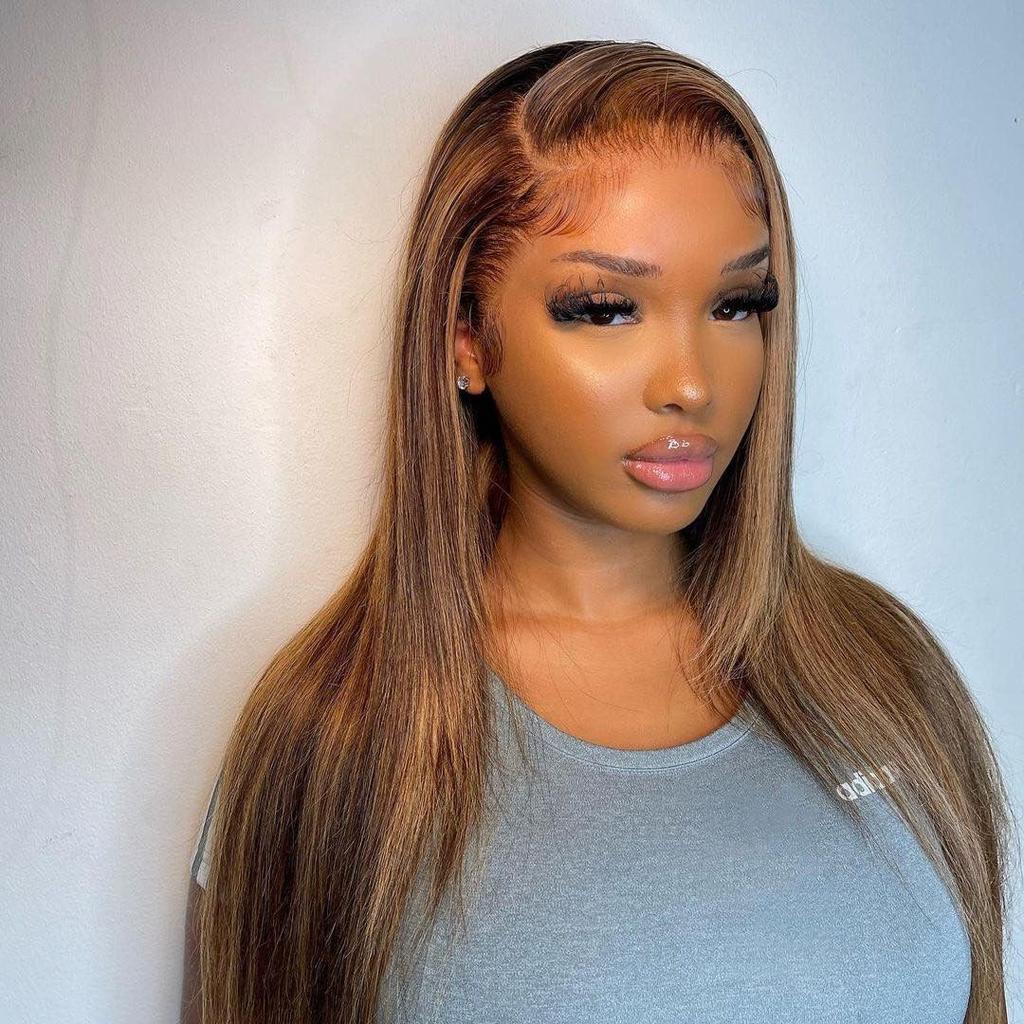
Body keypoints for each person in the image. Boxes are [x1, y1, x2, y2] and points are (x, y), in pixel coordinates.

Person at [180, 39, 1017, 1024]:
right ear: (465, 337)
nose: (692, 383)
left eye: (736, 304)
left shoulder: (887, 678)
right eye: (607, 310)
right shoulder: (335, 736)